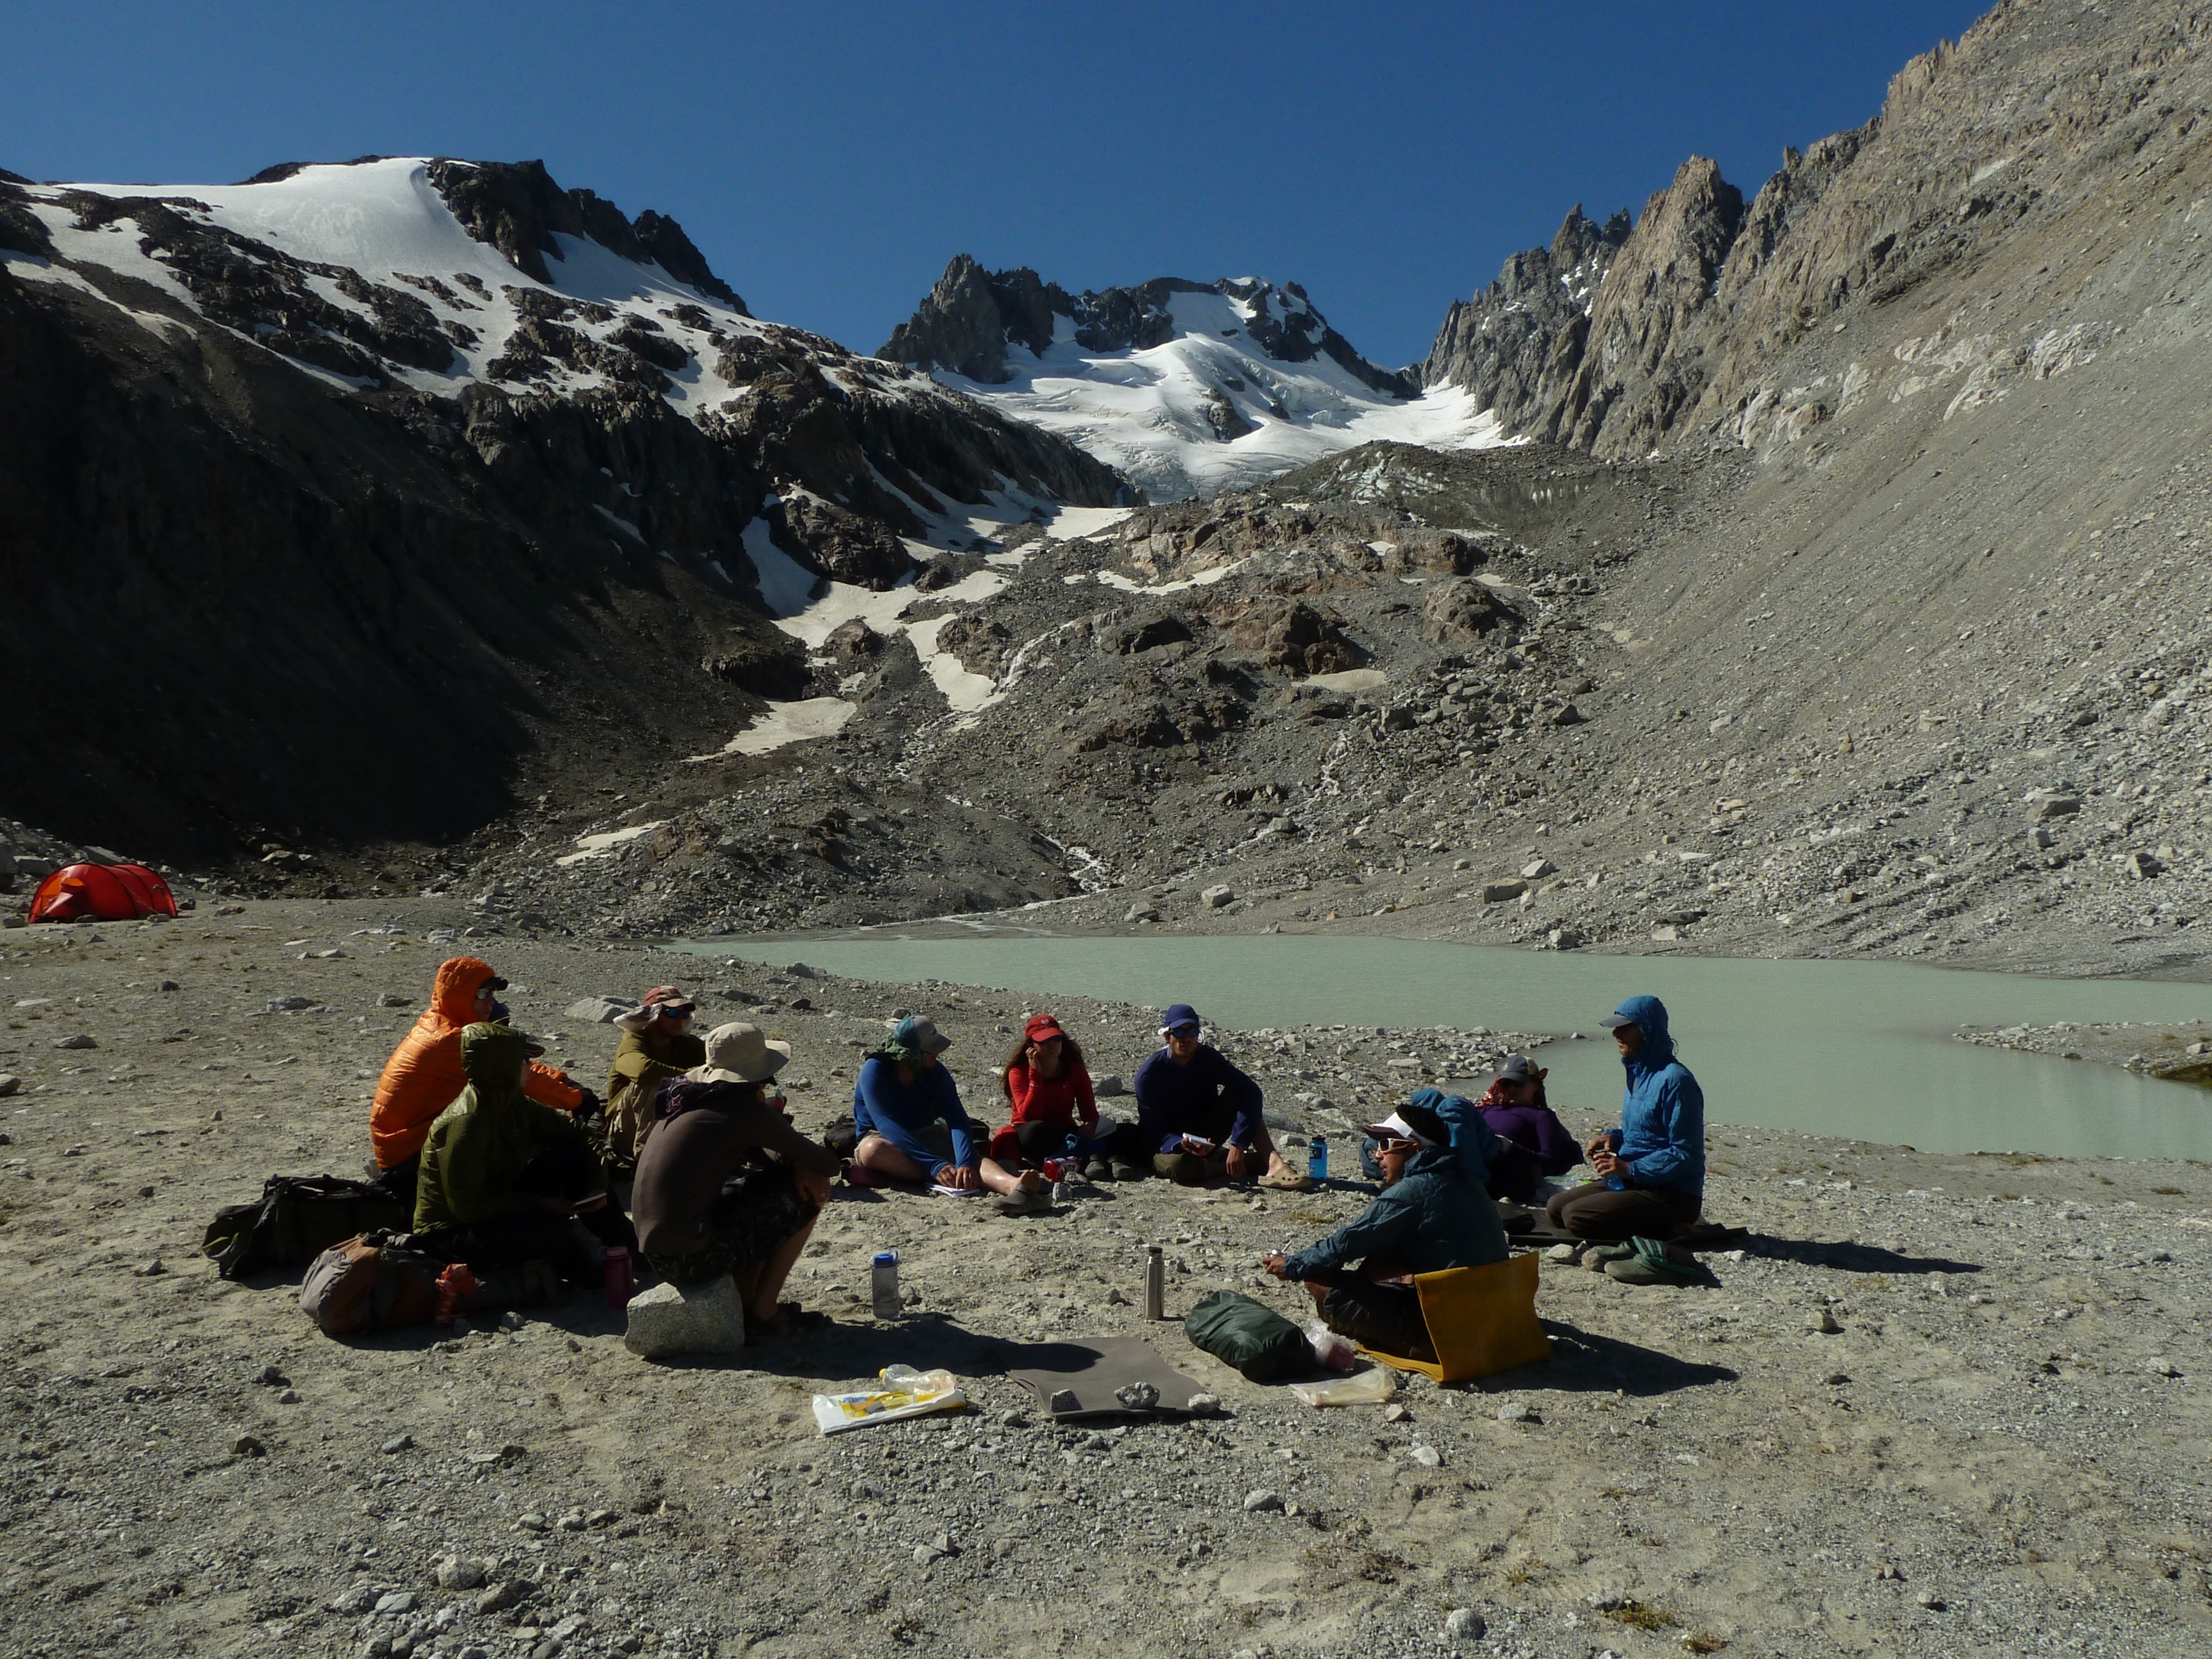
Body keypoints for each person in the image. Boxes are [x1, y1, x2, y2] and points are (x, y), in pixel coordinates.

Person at [631, 1021, 840, 1338]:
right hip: (692, 1259)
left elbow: (764, 1157)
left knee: (758, 1192)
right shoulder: (744, 1110)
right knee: (809, 1193)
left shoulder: (692, 1098)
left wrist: (792, 1161)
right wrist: (801, 1164)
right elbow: (828, 1165)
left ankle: (748, 1301)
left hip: (658, 1252)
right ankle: (764, 1313)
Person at [1263, 1100, 1509, 1361]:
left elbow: (1345, 1244)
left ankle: (1402, 1337)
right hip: (1494, 1313)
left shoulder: (1413, 1191)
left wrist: (1291, 1265)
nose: (1377, 1155)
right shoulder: (1464, 1178)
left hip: (1451, 1331)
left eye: (1385, 1146)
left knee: (1319, 1282)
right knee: (1387, 1255)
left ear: (1414, 1148)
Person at [411, 1022, 632, 1282]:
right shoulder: (466, 1124)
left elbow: (575, 1133)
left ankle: (626, 1245)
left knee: (573, 1158)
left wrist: (596, 1186)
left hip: (499, 1195)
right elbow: (469, 1209)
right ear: (502, 1067)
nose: (530, 1066)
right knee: (550, 1229)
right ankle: (586, 1275)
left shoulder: (512, 1101)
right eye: (524, 1059)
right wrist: (539, 1204)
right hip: (451, 1231)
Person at [370, 956, 591, 1207]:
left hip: (403, 1143)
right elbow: (514, 1073)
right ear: (460, 996)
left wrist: (564, 1081)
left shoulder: (439, 1024)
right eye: (482, 993)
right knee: (525, 1129)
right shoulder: (452, 1040)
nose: (490, 1001)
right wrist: (576, 1098)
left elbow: (513, 1063)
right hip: (410, 1151)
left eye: (492, 993)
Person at [849, 1015, 1052, 1215]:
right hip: (884, 1139)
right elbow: (886, 1124)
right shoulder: (875, 1070)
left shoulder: (935, 1072)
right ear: (911, 1054)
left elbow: (957, 1118)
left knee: (970, 1157)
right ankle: (946, 1176)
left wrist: (964, 1161)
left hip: (925, 1133)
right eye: (931, 1051)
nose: (937, 1054)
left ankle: (1014, 1187)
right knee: (872, 1151)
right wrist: (934, 1165)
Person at [1545, 995, 1704, 1243]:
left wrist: (1631, 1169)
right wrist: (1614, 1138)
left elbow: (1686, 1153)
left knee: (1576, 1217)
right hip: (1634, 1181)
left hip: (1672, 1194)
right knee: (1556, 1208)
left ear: (1646, 1029)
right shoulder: (1638, 1073)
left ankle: (1673, 1228)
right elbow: (1646, 1133)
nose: (1616, 1034)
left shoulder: (1676, 1081)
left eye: (1624, 1028)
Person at [1135, 1004, 1308, 1188]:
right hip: (1170, 1146)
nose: (1186, 1039)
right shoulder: (1149, 1075)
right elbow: (1153, 1130)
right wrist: (1180, 1144)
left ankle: (1273, 1164)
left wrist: (1238, 1143)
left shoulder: (1208, 1058)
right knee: (1180, 1168)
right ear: (1167, 1036)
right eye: (1179, 1032)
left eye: (1192, 1031)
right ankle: (1244, 1164)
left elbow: (1250, 1091)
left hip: (1207, 1137)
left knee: (1243, 1098)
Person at [992, 1014, 1119, 1182]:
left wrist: (1091, 1124)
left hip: (1065, 1130)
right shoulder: (1018, 1072)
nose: (1052, 1045)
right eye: (1044, 1041)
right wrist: (1035, 1075)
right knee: (1035, 1130)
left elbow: (1089, 1111)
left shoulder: (1075, 1070)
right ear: (1031, 1046)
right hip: (1033, 1134)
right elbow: (1029, 1115)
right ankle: (1089, 1156)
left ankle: (1076, 1158)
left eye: (1056, 1039)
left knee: (1123, 1130)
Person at [604, 986, 706, 1166]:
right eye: (672, 1013)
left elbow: (719, 1062)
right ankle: (647, 1159)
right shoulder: (634, 1039)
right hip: (627, 1130)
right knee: (653, 1083)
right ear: (654, 1014)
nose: (680, 1020)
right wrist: (694, 1076)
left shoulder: (686, 1044)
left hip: (672, 1125)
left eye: (684, 1014)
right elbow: (642, 1071)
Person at [1474, 1054, 1584, 1203]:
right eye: (1506, 1084)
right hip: (1476, 1155)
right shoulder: (1488, 1109)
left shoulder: (1541, 1116)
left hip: (1509, 1168)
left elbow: (1548, 1162)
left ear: (1535, 1087)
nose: (1511, 1088)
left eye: (1518, 1084)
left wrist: (1509, 1147)